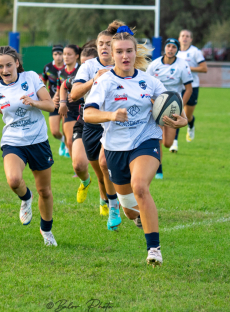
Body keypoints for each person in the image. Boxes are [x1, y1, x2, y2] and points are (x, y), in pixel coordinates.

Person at [84, 25, 187, 266]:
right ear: (112, 53)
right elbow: (88, 114)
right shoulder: (105, 82)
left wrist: (180, 119)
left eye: (129, 50)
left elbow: (170, 104)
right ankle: (139, 216)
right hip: (115, 149)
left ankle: (154, 249)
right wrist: (110, 115)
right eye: (119, 51)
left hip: (145, 140)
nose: (125, 56)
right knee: (130, 210)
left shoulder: (149, 81)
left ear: (135, 52)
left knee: (140, 186)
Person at [0, 46, 58, 246]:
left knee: (45, 191)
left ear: (16, 63)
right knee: (14, 180)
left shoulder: (31, 78)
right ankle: (26, 197)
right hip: (13, 141)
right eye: (0, 66)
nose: (5, 69)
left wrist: (34, 102)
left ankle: (46, 231)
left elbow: (51, 105)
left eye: (9, 64)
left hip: (38, 140)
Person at [70, 21, 123, 229]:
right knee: (100, 174)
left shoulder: (123, 65)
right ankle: (107, 199)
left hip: (113, 122)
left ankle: (115, 208)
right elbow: (74, 94)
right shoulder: (89, 66)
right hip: (91, 122)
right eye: (101, 43)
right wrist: (95, 80)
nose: (103, 47)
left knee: (104, 162)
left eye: (108, 44)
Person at [59, 45, 111, 208]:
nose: (84, 68)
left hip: (106, 122)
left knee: (103, 167)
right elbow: (65, 86)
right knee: (79, 165)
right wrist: (61, 102)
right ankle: (85, 181)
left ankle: (104, 200)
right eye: (82, 65)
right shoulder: (82, 75)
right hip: (84, 120)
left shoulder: (109, 74)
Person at [146, 38, 193, 168]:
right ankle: (158, 169)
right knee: (158, 139)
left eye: (173, 47)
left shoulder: (182, 65)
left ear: (177, 50)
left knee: (168, 143)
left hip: (173, 108)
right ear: (164, 48)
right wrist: (153, 103)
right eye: (168, 46)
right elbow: (146, 86)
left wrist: (179, 106)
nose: (170, 49)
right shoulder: (154, 65)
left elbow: (189, 89)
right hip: (156, 105)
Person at [177, 30, 207, 142]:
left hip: (192, 86)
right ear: (179, 38)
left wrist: (187, 69)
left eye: (187, 36)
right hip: (177, 87)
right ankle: (174, 143)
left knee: (187, 116)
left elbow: (204, 68)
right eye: (183, 36)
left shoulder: (195, 52)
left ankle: (191, 125)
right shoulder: (174, 51)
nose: (185, 38)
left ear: (191, 39)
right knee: (177, 113)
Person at [57, 44, 81, 160]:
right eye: (64, 54)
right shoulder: (61, 73)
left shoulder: (82, 70)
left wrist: (77, 95)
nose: (65, 57)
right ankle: (76, 167)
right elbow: (59, 89)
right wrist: (56, 98)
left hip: (82, 108)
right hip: (68, 110)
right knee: (70, 141)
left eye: (69, 54)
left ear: (77, 56)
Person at [42, 45, 67, 157]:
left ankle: (69, 146)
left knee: (67, 129)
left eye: (60, 54)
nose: (58, 57)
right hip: (54, 103)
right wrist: (48, 98)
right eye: (55, 54)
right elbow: (42, 85)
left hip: (67, 103)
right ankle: (64, 141)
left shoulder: (68, 67)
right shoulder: (47, 68)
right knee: (55, 132)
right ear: (52, 55)